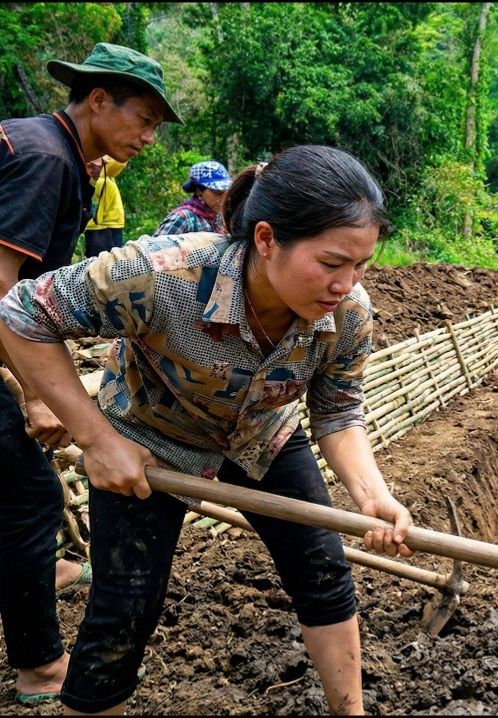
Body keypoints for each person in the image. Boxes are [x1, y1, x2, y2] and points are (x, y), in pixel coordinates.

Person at [0, 143, 413, 715]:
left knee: (323, 571)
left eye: (361, 265)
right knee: (125, 610)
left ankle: (350, 711)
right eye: (331, 262)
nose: (347, 283)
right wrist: (96, 440)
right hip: (148, 439)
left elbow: (338, 411)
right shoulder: (161, 274)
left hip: (261, 436)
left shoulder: (349, 314)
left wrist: (373, 496)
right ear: (266, 240)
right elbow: (22, 313)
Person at [0, 41, 179, 705]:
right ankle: (42, 667)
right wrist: (36, 396)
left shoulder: (47, 150)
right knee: (30, 501)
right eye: (144, 118)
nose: (150, 136)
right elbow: (1, 290)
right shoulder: (47, 161)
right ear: (98, 101)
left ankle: (27, 572)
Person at [155, 160, 231, 235]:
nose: (224, 198)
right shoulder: (183, 219)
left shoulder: (219, 218)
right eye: (218, 193)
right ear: (199, 191)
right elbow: (156, 246)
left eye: (226, 193)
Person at [83, 155, 128, 257]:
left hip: (105, 226)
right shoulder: (100, 177)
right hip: (103, 227)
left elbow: (120, 161)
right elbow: (119, 161)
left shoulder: (105, 175)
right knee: (107, 264)